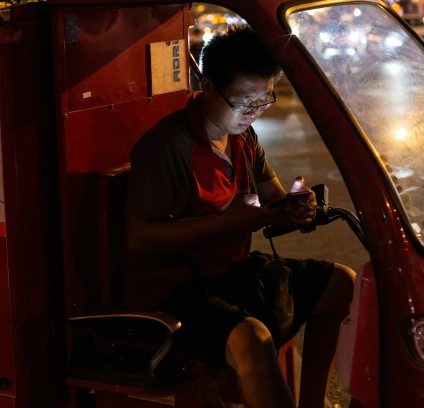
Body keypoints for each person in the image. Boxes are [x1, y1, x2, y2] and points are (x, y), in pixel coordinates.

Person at [125, 25, 356, 408]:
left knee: (342, 284)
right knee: (253, 338)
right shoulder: (169, 145)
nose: (254, 112)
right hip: (173, 289)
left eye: (264, 101)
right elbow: (138, 238)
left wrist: (297, 207)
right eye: (245, 102)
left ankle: (312, 402)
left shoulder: (243, 137)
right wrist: (226, 223)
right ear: (209, 86)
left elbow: (273, 198)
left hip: (230, 273)